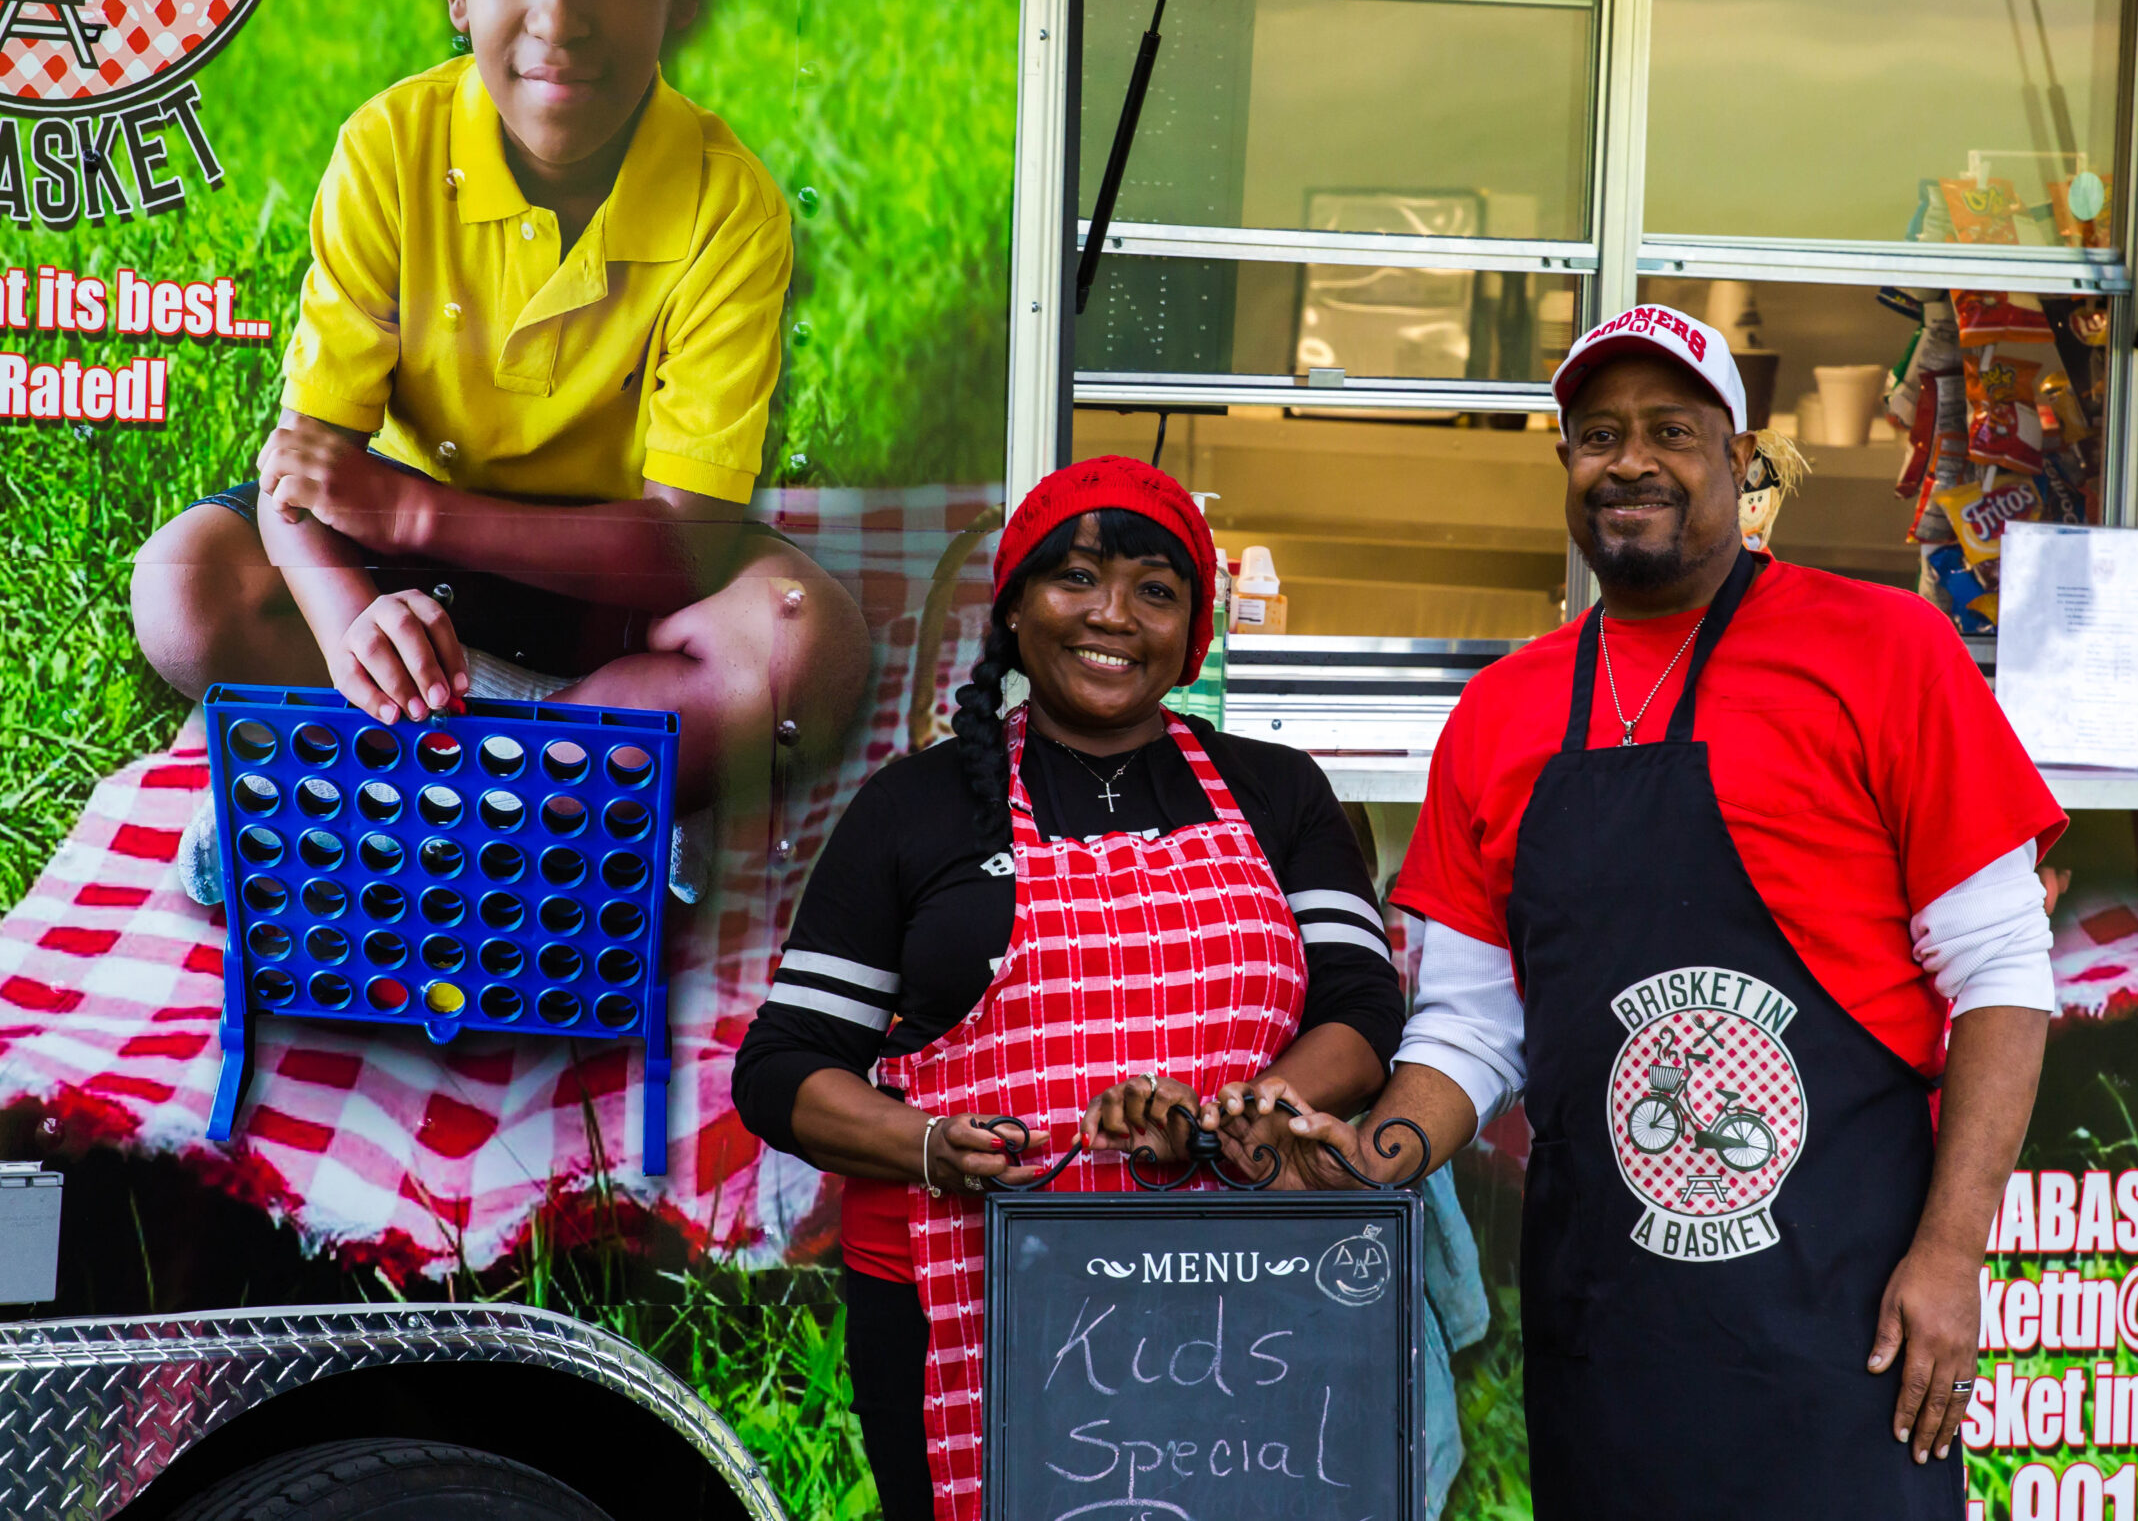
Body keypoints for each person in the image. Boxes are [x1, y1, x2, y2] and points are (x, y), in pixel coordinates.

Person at [1222, 306, 2068, 1518]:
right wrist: (1374, 1162)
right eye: (1596, 434)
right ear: (1565, 464)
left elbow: (1997, 970)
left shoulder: (1884, 648)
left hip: (1844, 1312)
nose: (1630, 460)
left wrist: (1951, 1252)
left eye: (1672, 430)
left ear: (1741, 458)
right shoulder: (1500, 717)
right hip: (1608, 1329)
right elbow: (1469, 1029)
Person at [128, 0, 865, 901]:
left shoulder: (730, 203)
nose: (558, 16)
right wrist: (350, 626)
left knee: (810, 645)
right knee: (182, 584)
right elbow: (302, 480)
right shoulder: (389, 147)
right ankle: (573, 786)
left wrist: (421, 516)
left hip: (607, 576)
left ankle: (414, 793)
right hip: (400, 576)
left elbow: (682, 549)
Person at [729, 457, 1404, 1521]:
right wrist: (926, 1144)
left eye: (1154, 589)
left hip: (1237, 1293)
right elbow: (781, 1068)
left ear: (1193, 633)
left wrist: (1232, 1121)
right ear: (1014, 607)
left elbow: (1361, 1011)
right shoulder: (916, 811)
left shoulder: (1279, 792)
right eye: (1076, 577)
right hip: (958, 1292)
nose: (1113, 616)